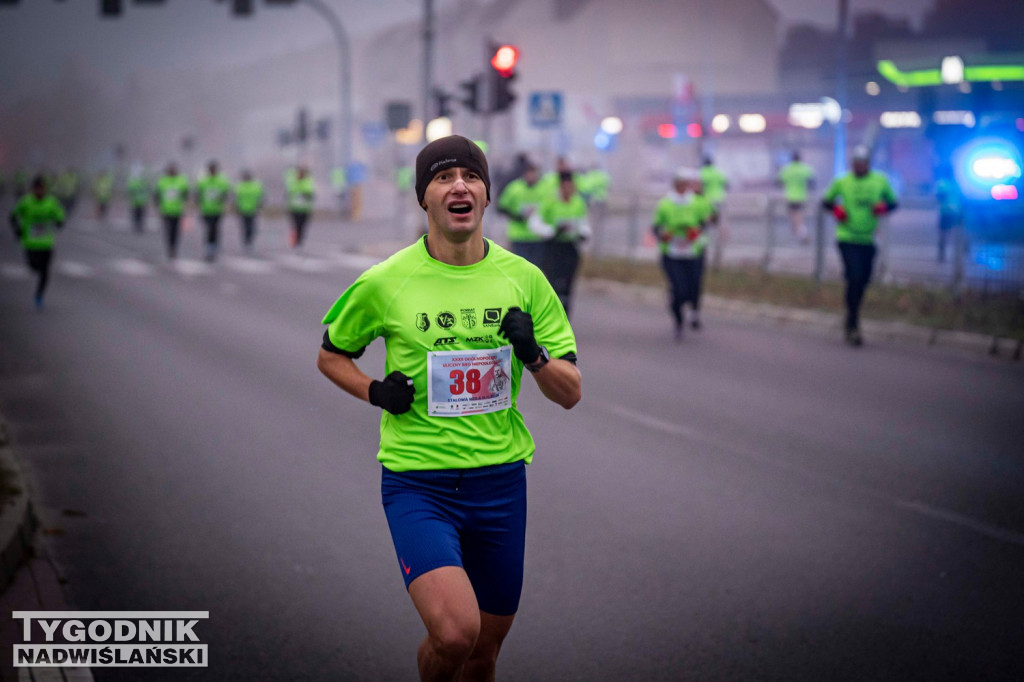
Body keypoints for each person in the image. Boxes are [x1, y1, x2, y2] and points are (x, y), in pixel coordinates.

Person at [316, 135, 581, 682]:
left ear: (485, 196)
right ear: (424, 199)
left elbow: (570, 391)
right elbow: (330, 356)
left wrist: (533, 355)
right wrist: (374, 391)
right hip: (419, 484)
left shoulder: (524, 280)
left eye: (471, 176)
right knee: (456, 633)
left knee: (484, 651)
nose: (459, 185)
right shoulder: (387, 281)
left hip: (501, 484)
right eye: (442, 177)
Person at [821, 145, 898, 346]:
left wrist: (883, 207)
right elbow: (826, 201)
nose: (859, 167)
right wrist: (837, 210)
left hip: (869, 238)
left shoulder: (880, 180)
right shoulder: (842, 181)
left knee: (862, 280)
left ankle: (852, 314)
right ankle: (852, 322)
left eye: (862, 164)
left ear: (868, 164)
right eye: (856, 163)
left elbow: (893, 202)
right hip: (846, 236)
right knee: (854, 276)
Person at [652, 167, 715, 340]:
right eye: (679, 183)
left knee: (694, 286)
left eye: (685, 183)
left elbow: (709, 219)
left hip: (693, 251)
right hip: (672, 254)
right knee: (679, 289)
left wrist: (700, 227)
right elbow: (656, 227)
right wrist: (662, 234)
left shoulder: (697, 202)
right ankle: (678, 321)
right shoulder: (665, 203)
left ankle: (693, 311)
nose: (682, 186)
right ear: (674, 184)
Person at [531, 170, 591, 318]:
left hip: (570, 248)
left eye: (571, 187)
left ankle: (565, 316)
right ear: (561, 186)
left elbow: (583, 223)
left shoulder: (578, 203)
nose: (569, 190)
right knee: (553, 283)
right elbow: (535, 222)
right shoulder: (549, 202)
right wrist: (552, 231)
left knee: (568, 284)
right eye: (566, 186)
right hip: (553, 248)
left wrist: (583, 233)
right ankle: (550, 314)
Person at [9, 175, 66, 309]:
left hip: (46, 243)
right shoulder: (26, 202)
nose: (40, 191)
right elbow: (13, 215)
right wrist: (17, 229)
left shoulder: (51, 202)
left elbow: (60, 215)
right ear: (33, 189)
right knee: (33, 267)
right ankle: (36, 273)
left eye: (42, 189)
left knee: (45, 271)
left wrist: (59, 222)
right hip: (30, 243)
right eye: (37, 189)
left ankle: (39, 295)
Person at [497, 160, 547, 266]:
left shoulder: (544, 189)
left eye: (533, 173)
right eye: (529, 173)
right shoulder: (514, 188)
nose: (531, 176)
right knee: (521, 265)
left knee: (536, 267)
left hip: (537, 236)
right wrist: (516, 216)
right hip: (519, 235)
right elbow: (502, 207)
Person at [195, 160, 231, 262]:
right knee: (209, 228)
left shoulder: (221, 180)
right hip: (206, 209)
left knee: (214, 228)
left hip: (217, 210)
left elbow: (225, 193)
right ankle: (209, 246)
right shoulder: (203, 181)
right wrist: (198, 204)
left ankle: (213, 246)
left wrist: (222, 200)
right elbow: (198, 194)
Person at [777, 151, 815, 244]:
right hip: (801, 196)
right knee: (799, 216)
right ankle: (800, 233)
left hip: (790, 197)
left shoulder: (787, 169)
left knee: (794, 216)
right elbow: (812, 182)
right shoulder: (805, 169)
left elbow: (779, 182)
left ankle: (801, 233)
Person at [154, 162, 190, 260]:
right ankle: (170, 247)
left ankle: (173, 248)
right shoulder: (163, 181)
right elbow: (157, 194)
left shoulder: (181, 181)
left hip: (177, 210)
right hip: (166, 210)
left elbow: (185, 194)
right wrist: (158, 205)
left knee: (176, 231)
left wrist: (184, 205)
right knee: (168, 230)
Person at [700, 155, 729, 265]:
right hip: (719, 200)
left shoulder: (702, 172)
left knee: (704, 226)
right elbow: (726, 184)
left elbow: (699, 187)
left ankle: (704, 247)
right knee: (720, 224)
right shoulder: (718, 172)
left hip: (707, 202)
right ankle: (720, 246)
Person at [934, 163, 962, 264]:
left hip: (946, 211)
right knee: (958, 233)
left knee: (943, 234)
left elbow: (940, 197)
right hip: (957, 210)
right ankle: (963, 252)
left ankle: (941, 255)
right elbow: (961, 197)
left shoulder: (941, 183)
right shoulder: (955, 183)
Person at [234, 169, 264, 254]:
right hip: (243, 210)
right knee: (244, 227)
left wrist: (259, 205)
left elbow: (261, 197)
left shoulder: (256, 186)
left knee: (251, 227)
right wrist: (236, 208)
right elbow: (236, 198)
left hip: (253, 209)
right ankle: (246, 241)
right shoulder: (240, 186)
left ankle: (249, 241)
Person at [286, 165, 315, 249]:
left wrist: (305, 195)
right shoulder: (293, 182)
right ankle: (295, 241)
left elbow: (311, 194)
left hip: (305, 209)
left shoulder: (308, 182)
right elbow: (289, 193)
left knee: (302, 226)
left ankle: (299, 240)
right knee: (295, 225)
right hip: (294, 208)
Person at [127, 167, 150, 234]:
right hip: (136, 202)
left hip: (142, 202)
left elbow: (147, 191)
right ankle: (137, 225)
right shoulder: (134, 182)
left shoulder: (144, 182)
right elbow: (130, 191)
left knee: (141, 215)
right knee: (136, 214)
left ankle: (139, 225)